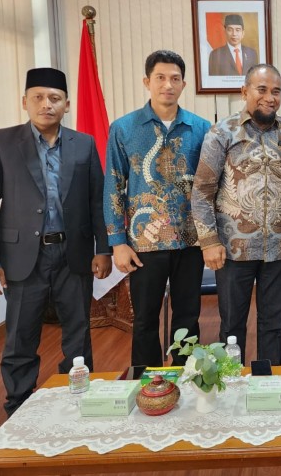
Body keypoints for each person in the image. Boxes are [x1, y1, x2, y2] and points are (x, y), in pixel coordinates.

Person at [0, 68, 112, 416]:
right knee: (21, 335)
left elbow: (97, 200)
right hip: (23, 256)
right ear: (25, 102)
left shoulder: (83, 143)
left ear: (67, 104)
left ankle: (77, 399)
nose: (46, 104)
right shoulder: (1, 142)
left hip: (74, 253)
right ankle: (18, 405)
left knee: (78, 335)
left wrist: (103, 249)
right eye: (38, 97)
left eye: (54, 98)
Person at [192, 64, 281, 366]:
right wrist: (208, 241)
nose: (270, 97)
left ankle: (267, 383)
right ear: (244, 91)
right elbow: (202, 189)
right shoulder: (222, 132)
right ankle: (231, 383)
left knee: (275, 320)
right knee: (232, 323)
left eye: (275, 91)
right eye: (262, 89)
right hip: (233, 249)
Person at [104, 50, 211, 366]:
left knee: (188, 316)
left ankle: (186, 378)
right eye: (161, 78)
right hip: (143, 242)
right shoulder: (124, 129)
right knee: (145, 319)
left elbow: (209, 187)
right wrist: (118, 243)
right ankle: (147, 385)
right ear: (147, 82)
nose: (168, 85)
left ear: (184, 84)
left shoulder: (201, 128)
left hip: (190, 240)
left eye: (175, 79)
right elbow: (113, 186)